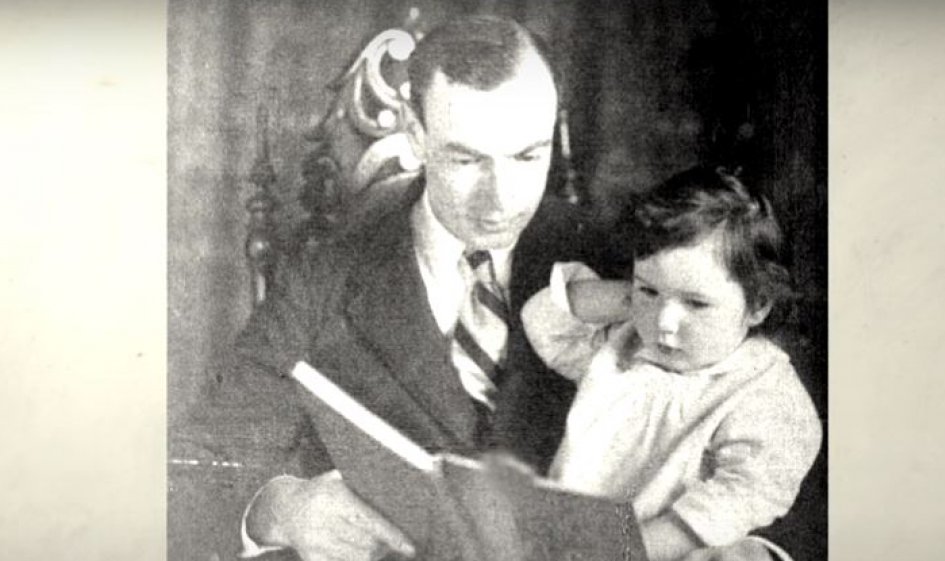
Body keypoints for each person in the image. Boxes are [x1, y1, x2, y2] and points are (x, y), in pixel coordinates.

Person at [213, 15, 800, 561]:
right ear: (416, 135)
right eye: (467, 161)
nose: (501, 201)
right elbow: (206, 453)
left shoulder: (631, 262)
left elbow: (772, 483)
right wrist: (279, 508)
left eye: (528, 156)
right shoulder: (327, 272)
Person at [521, 166, 823, 561]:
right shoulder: (624, 345)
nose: (664, 324)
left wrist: (617, 550)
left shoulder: (764, 391)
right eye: (647, 289)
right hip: (565, 544)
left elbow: (736, 498)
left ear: (758, 304)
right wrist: (634, 300)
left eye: (695, 303)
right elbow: (546, 321)